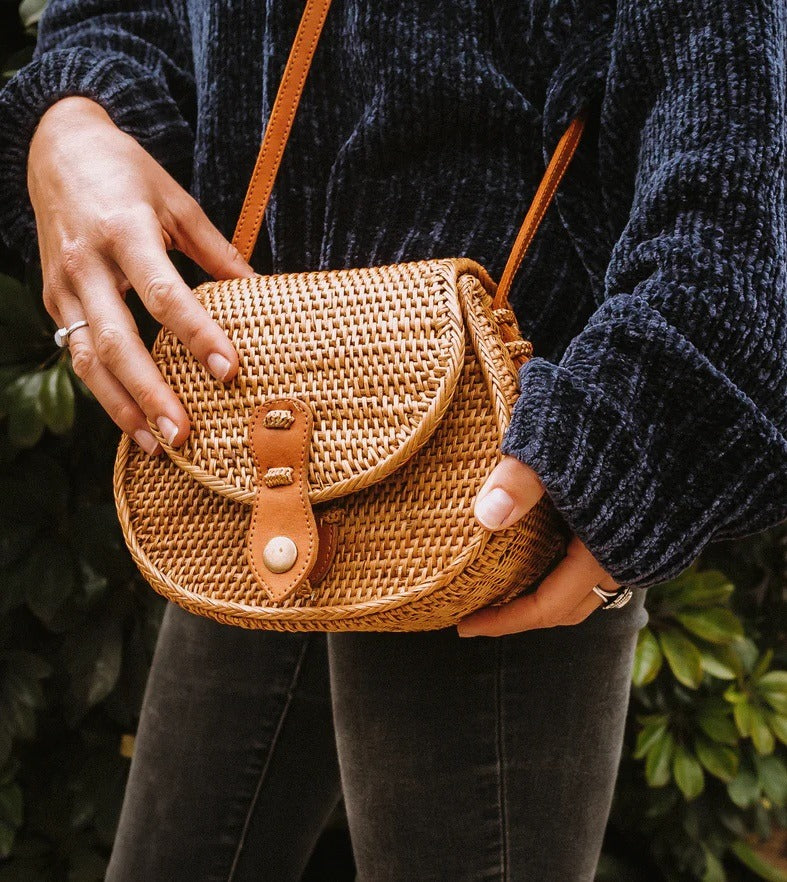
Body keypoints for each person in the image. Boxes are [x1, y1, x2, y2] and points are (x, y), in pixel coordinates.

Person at [0, 1, 784, 879]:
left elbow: (733, 127)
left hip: (489, 470)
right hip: (251, 407)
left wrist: (641, 419)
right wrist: (74, 114)